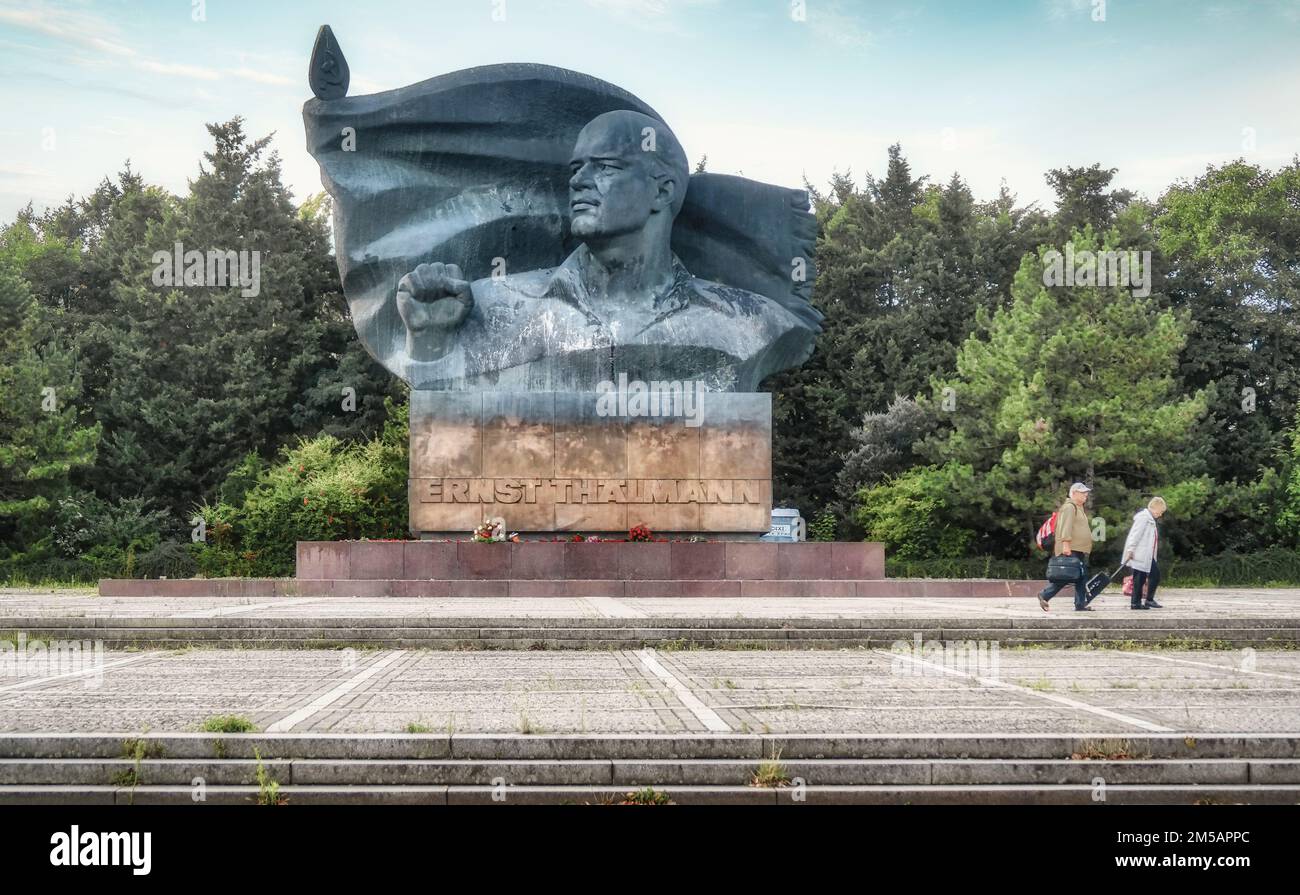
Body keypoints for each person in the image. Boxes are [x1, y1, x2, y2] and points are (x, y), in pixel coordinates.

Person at [1038, 482, 1094, 612]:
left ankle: (1080, 604)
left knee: (1080, 576)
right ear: (1074, 493)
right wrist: (1065, 544)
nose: (1086, 494)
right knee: (1068, 575)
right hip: (1070, 548)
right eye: (1083, 492)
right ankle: (1045, 594)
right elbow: (1065, 527)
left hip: (1077, 548)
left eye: (1086, 492)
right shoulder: (1070, 507)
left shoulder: (1078, 507)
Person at [1122, 496, 1166, 610]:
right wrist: (1130, 550)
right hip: (1140, 553)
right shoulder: (1144, 518)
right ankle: (1146, 601)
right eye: (1160, 511)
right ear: (1155, 508)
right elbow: (1135, 535)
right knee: (1150, 576)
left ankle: (1137, 602)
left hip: (1145, 554)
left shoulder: (1150, 519)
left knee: (1140, 578)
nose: (1161, 514)